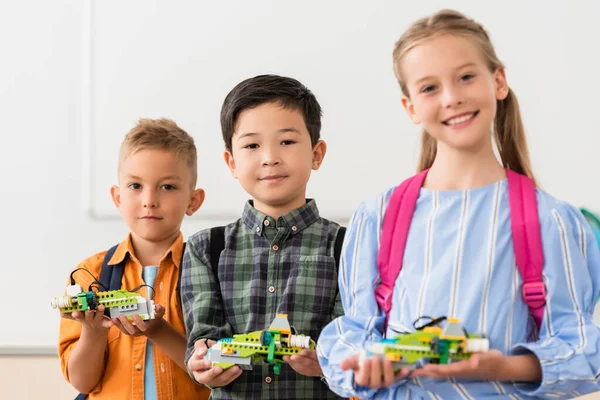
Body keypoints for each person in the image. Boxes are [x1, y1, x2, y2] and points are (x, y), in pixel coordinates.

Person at [317, 9, 600, 399]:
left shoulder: (551, 220)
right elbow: (353, 332)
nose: (452, 98)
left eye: (466, 76)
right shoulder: (377, 218)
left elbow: (583, 351)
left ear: (498, 81)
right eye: (429, 88)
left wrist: (501, 366)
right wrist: (364, 367)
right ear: (410, 107)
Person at [181, 74, 346, 399]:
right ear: (232, 161)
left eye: (286, 141)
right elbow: (204, 334)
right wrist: (202, 359)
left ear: (316, 153)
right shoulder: (205, 247)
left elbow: (351, 341)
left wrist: (327, 362)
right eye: (252, 145)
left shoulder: (347, 245)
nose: (270, 157)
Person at [58, 118, 210, 399]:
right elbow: (81, 383)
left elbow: (215, 373)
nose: (149, 200)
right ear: (117, 197)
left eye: (167, 187)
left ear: (193, 200)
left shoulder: (209, 273)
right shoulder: (88, 275)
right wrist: (93, 332)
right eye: (135, 186)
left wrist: (158, 330)